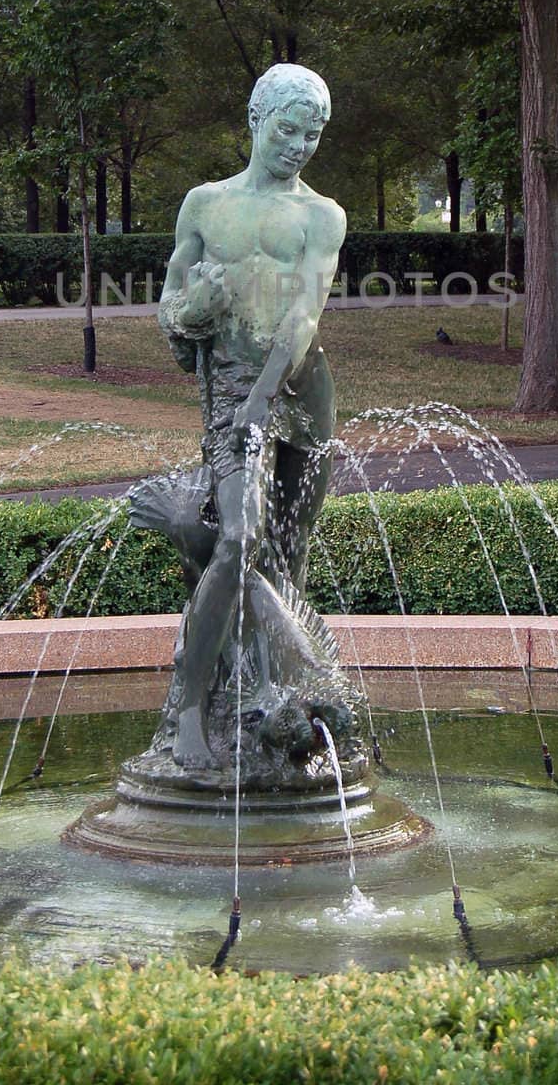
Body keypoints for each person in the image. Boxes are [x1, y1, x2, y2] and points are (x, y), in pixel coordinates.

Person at [154, 63, 346, 769]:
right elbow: (172, 308)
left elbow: (304, 315)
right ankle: (190, 708)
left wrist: (266, 400)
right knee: (235, 540)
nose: (298, 144)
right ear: (255, 118)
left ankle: (274, 703)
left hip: (302, 395)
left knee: (285, 560)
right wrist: (187, 318)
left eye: (312, 134)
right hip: (233, 389)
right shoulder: (204, 205)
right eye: (287, 128)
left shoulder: (321, 215)